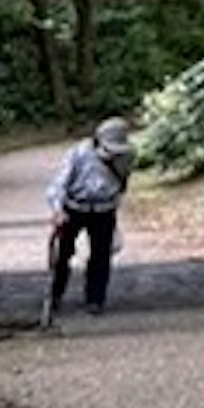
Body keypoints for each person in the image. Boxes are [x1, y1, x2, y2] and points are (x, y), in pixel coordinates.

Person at [46, 115, 136, 316]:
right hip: (74, 208)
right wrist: (57, 210)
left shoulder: (127, 155)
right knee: (63, 254)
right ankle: (55, 295)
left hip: (104, 210)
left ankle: (95, 300)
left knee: (101, 256)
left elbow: (122, 183)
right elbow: (59, 184)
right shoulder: (78, 154)